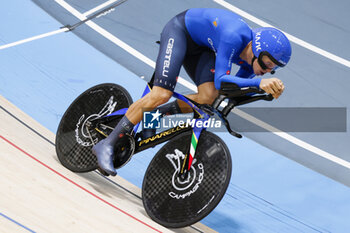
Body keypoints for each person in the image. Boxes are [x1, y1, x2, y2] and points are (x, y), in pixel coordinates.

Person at [93, 8, 292, 176]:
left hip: (201, 47)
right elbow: (222, 80)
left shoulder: (252, 64)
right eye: (267, 64)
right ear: (256, 49)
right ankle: (107, 144)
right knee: (162, 94)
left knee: (208, 97)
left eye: (273, 68)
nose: (267, 71)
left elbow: (231, 91)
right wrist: (259, 84)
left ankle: (152, 116)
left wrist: (265, 94)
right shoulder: (234, 36)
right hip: (179, 32)